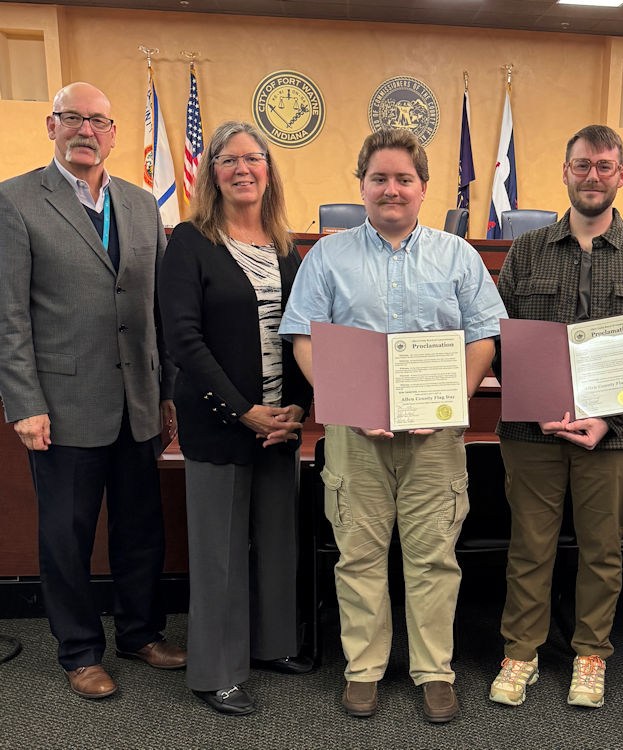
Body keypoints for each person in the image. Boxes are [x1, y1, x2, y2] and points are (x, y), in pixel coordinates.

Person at [279, 128, 506, 724]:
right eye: (379, 178)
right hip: (357, 439)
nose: (391, 189)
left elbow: (484, 336)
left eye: (404, 178)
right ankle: (364, 671)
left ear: (424, 188)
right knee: (358, 554)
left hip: (435, 439)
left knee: (434, 556)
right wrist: (345, 400)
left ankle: (434, 671)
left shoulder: (458, 256)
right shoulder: (327, 256)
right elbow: (303, 336)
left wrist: (450, 401)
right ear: (362, 186)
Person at [0, 82, 185, 699]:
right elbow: (10, 316)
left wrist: (167, 394)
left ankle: (139, 632)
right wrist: (24, 402)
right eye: (73, 118)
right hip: (61, 405)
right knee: (66, 535)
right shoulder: (17, 201)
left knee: (141, 530)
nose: (86, 130)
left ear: (112, 133)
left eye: (99, 121)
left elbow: (157, 308)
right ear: (51, 125)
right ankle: (79, 651)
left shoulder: (138, 204)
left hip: (138, 401)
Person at [488, 125, 623, 709]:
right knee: (530, 547)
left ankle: (591, 653)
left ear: (621, 175)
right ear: (565, 172)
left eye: (604, 166)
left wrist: (611, 420)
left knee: (601, 549)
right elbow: (504, 339)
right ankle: (521, 652)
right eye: (582, 165)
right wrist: (539, 405)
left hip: (613, 436)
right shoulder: (527, 251)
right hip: (531, 432)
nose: (592, 176)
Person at [159, 121, 313, 716]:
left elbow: (303, 329)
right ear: (212, 171)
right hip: (222, 421)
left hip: (280, 420)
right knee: (221, 551)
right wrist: (244, 410)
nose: (243, 169)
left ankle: (272, 645)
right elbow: (183, 340)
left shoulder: (285, 245)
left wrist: (296, 406)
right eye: (229, 159)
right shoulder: (190, 242)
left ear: (269, 170)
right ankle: (215, 670)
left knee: (276, 539)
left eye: (254, 158)